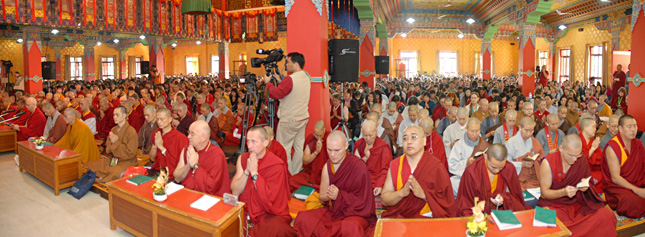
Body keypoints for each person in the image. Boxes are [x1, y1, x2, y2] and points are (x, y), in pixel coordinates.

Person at [294, 131, 376, 236]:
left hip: (356, 214)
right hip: (334, 211)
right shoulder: (327, 167)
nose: (332, 155)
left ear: (346, 146)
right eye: (329, 150)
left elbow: (365, 202)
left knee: (350, 228)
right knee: (304, 219)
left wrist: (339, 195)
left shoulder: (359, 167)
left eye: (337, 150)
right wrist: (330, 196)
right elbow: (322, 197)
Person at [538, 135, 617, 236]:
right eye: (571, 155)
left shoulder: (581, 159)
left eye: (577, 155)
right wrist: (563, 192)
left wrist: (585, 187)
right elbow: (544, 194)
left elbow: (589, 185)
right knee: (545, 221)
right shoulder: (548, 162)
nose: (575, 159)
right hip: (554, 205)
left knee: (606, 215)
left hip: (576, 204)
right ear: (561, 149)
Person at [230, 127, 296, 237]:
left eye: (254, 142)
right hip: (245, 211)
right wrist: (247, 171)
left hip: (268, 214)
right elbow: (235, 192)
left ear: (266, 142)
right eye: (248, 141)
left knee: (278, 228)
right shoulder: (243, 158)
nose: (249, 146)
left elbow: (271, 201)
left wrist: (255, 173)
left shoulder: (276, 165)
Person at [381, 125, 455, 218]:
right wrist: (401, 193)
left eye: (414, 137)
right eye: (405, 138)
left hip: (427, 218)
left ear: (424, 141)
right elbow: (384, 200)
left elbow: (447, 204)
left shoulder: (436, 167)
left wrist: (424, 195)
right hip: (400, 218)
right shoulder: (395, 165)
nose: (409, 142)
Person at [261, 52, 310, 176]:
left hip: (290, 119)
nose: (286, 65)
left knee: (285, 148)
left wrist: (268, 83)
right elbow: (290, 89)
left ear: (296, 64)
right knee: (299, 147)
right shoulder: (305, 76)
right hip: (302, 117)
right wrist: (279, 80)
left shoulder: (291, 79)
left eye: (288, 62)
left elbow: (278, 94)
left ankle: (287, 174)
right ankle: (296, 172)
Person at [456, 144, 529, 216]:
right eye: (493, 167)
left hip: (502, 212)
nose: (497, 171)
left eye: (501, 167)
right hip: (479, 212)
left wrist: (503, 197)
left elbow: (515, 196)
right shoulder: (472, 171)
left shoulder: (509, 168)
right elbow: (465, 201)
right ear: (485, 156)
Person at [602, 115, 645, 218]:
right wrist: (637, 190)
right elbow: (615, 178)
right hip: (618, 186)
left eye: (635, 126)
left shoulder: (638, 144)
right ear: (620, 129)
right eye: (629, 127)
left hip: (638, 181)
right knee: (633, 203)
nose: (633, 130)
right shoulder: (613, 147)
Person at [174, 121, 231, 196]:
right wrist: (188, 165)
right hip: (186, 193)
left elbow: (211, 187)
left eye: (192, 134)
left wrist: (195, 165)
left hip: (207, 198)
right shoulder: (187, 149)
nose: (188, 136)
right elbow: (176, 178)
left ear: (203, 137)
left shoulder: (217, 154)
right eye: (188, 133)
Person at [84, 106, 138, 182]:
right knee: (91, 165)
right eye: (113, 115)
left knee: (114, 172)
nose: (114, 117)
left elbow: (131, 153)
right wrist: (112, 142)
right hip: (113, 159)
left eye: (117, 115)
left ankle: (101, 182)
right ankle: (95, 179)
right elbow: (108, 150)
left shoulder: (131, 131)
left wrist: (116, 142)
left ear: (124, 115)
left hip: (126, 162)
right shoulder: (113, 129)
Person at [448, 118, 490, 196]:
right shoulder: (458, 145)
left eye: (477, 131)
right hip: (462, 178)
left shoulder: (485, 145)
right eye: (472, 131)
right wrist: (466, 163)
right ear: (466, 129)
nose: (474, 134)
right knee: (452, 181)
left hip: (479, 180)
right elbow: (452, 166)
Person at [354, 120, 392, 196]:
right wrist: (365, 158)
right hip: (362, 179)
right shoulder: (359, 144)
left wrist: (379, 185)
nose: (368, 138)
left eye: (370, 135)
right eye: (365, 135)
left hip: (377, 180)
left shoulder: (383, 147)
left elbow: (386, 169)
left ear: (376, 132)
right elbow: (355, 168)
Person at [149, 108, 189, 181]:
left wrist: (161, 147)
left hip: (170, 173)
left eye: (162, 119)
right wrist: (155, 146)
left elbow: (177, 163)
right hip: (157, 170)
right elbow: (152, 158)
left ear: (170, 119)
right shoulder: (156, 134)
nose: (159, 122)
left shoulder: (180, 138)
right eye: (157, 119)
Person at [505, 117, 545, 190]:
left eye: (531, 130)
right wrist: (521, 164)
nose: (529, 134)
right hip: (516, 177)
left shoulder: (535, 141)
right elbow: (506, 163)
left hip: (532, 178)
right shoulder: (512, 142)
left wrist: (534, 162)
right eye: (526, 130)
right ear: (520, 128)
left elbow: (542, 159)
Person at [290, 121, 328, 192]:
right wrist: (316, 152)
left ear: (324, 130)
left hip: (326, 176)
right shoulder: (311, 139)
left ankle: (316, 187)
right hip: (311, 175)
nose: (318, 138)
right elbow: (305, 161)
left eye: (320, 135)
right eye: (316, 135)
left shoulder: (328, 139)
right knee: (291, 181)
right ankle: (316, 188)